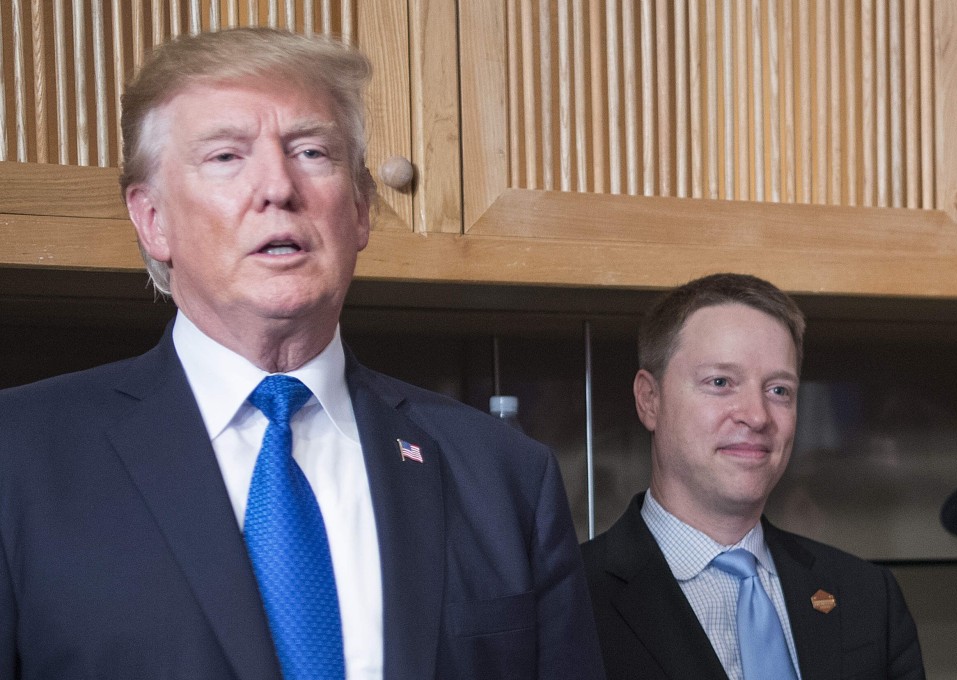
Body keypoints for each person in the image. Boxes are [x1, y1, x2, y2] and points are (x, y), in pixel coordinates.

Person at [0, 28, 604, 680]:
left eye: (312, 152)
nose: (278, 187)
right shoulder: (19, 458)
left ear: (362, 210)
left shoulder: (505, 475)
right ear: (153, 220)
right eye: (227, 156)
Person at [581, 273, 925, 680]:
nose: (758, 416)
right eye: (721, 382)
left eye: (779, 390)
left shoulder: (867, 596)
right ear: (649, 400)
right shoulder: (570, 599)